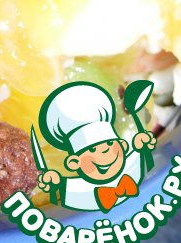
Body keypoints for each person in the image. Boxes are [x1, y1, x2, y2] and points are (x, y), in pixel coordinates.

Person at [37, 81, 156, 212]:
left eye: (109, 144)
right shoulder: (78, 190)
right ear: (74, 163)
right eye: (93, 149)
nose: (104, 154)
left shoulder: (132, 166)